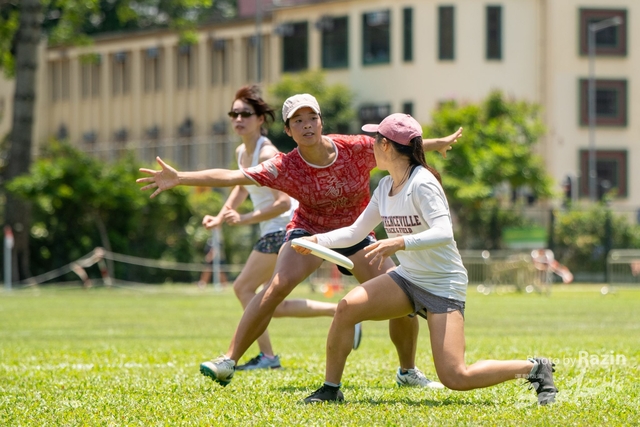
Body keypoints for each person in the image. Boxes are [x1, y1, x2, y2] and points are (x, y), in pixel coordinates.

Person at [137, 94, 462, 388]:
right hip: (310, 232)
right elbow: (233, 177)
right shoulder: (286, 165)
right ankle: (228, 360)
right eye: (297, 121)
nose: (307, 126)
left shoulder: (355, 148)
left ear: (321, 122)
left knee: (401, 301)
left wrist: (438, 143)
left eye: (312, 119)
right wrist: (181, 178)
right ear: (289, 131)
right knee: (276, 287)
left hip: (357, 232)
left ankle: (408, 372)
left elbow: (400, 145)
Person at [294, 113, 557, 405]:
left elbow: (444, 232)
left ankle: (535, 369)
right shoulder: (384, 186)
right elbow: (356, 231)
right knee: (347, 307)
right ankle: (330, 389)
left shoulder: (423, 183)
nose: (371, 145)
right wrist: (316, 240)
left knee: (456, 377)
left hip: (443, 283)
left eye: (375, 140)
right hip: (409, 278)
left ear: (387, 146)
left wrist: (399, 242)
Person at [200, 85, 352, 370]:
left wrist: (245, 219)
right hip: (272, 230)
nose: (238, 119)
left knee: (245, 288)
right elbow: (241, 189)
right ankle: (341, 311)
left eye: (246, 113)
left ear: (261, 119)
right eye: (234, 113)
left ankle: (268, 357)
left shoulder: (266, 151)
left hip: (282, 229)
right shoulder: (242, 152)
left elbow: (283, 203)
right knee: (273, 303)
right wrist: (221, 216)